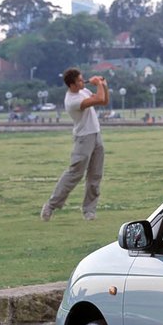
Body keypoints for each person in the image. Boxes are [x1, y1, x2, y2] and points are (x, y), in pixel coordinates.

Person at [41, 68, 109, 221]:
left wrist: (103, 85)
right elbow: (98, 99)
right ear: (71, 85)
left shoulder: (83, 92)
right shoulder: (73, 101)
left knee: (95, 175)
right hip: (83, 138)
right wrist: (98, 84)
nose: (82, 81)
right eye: (79, 80)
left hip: (96, 134)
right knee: (74, 174)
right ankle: (51, 205)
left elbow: (104, 101)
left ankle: (89, 211)